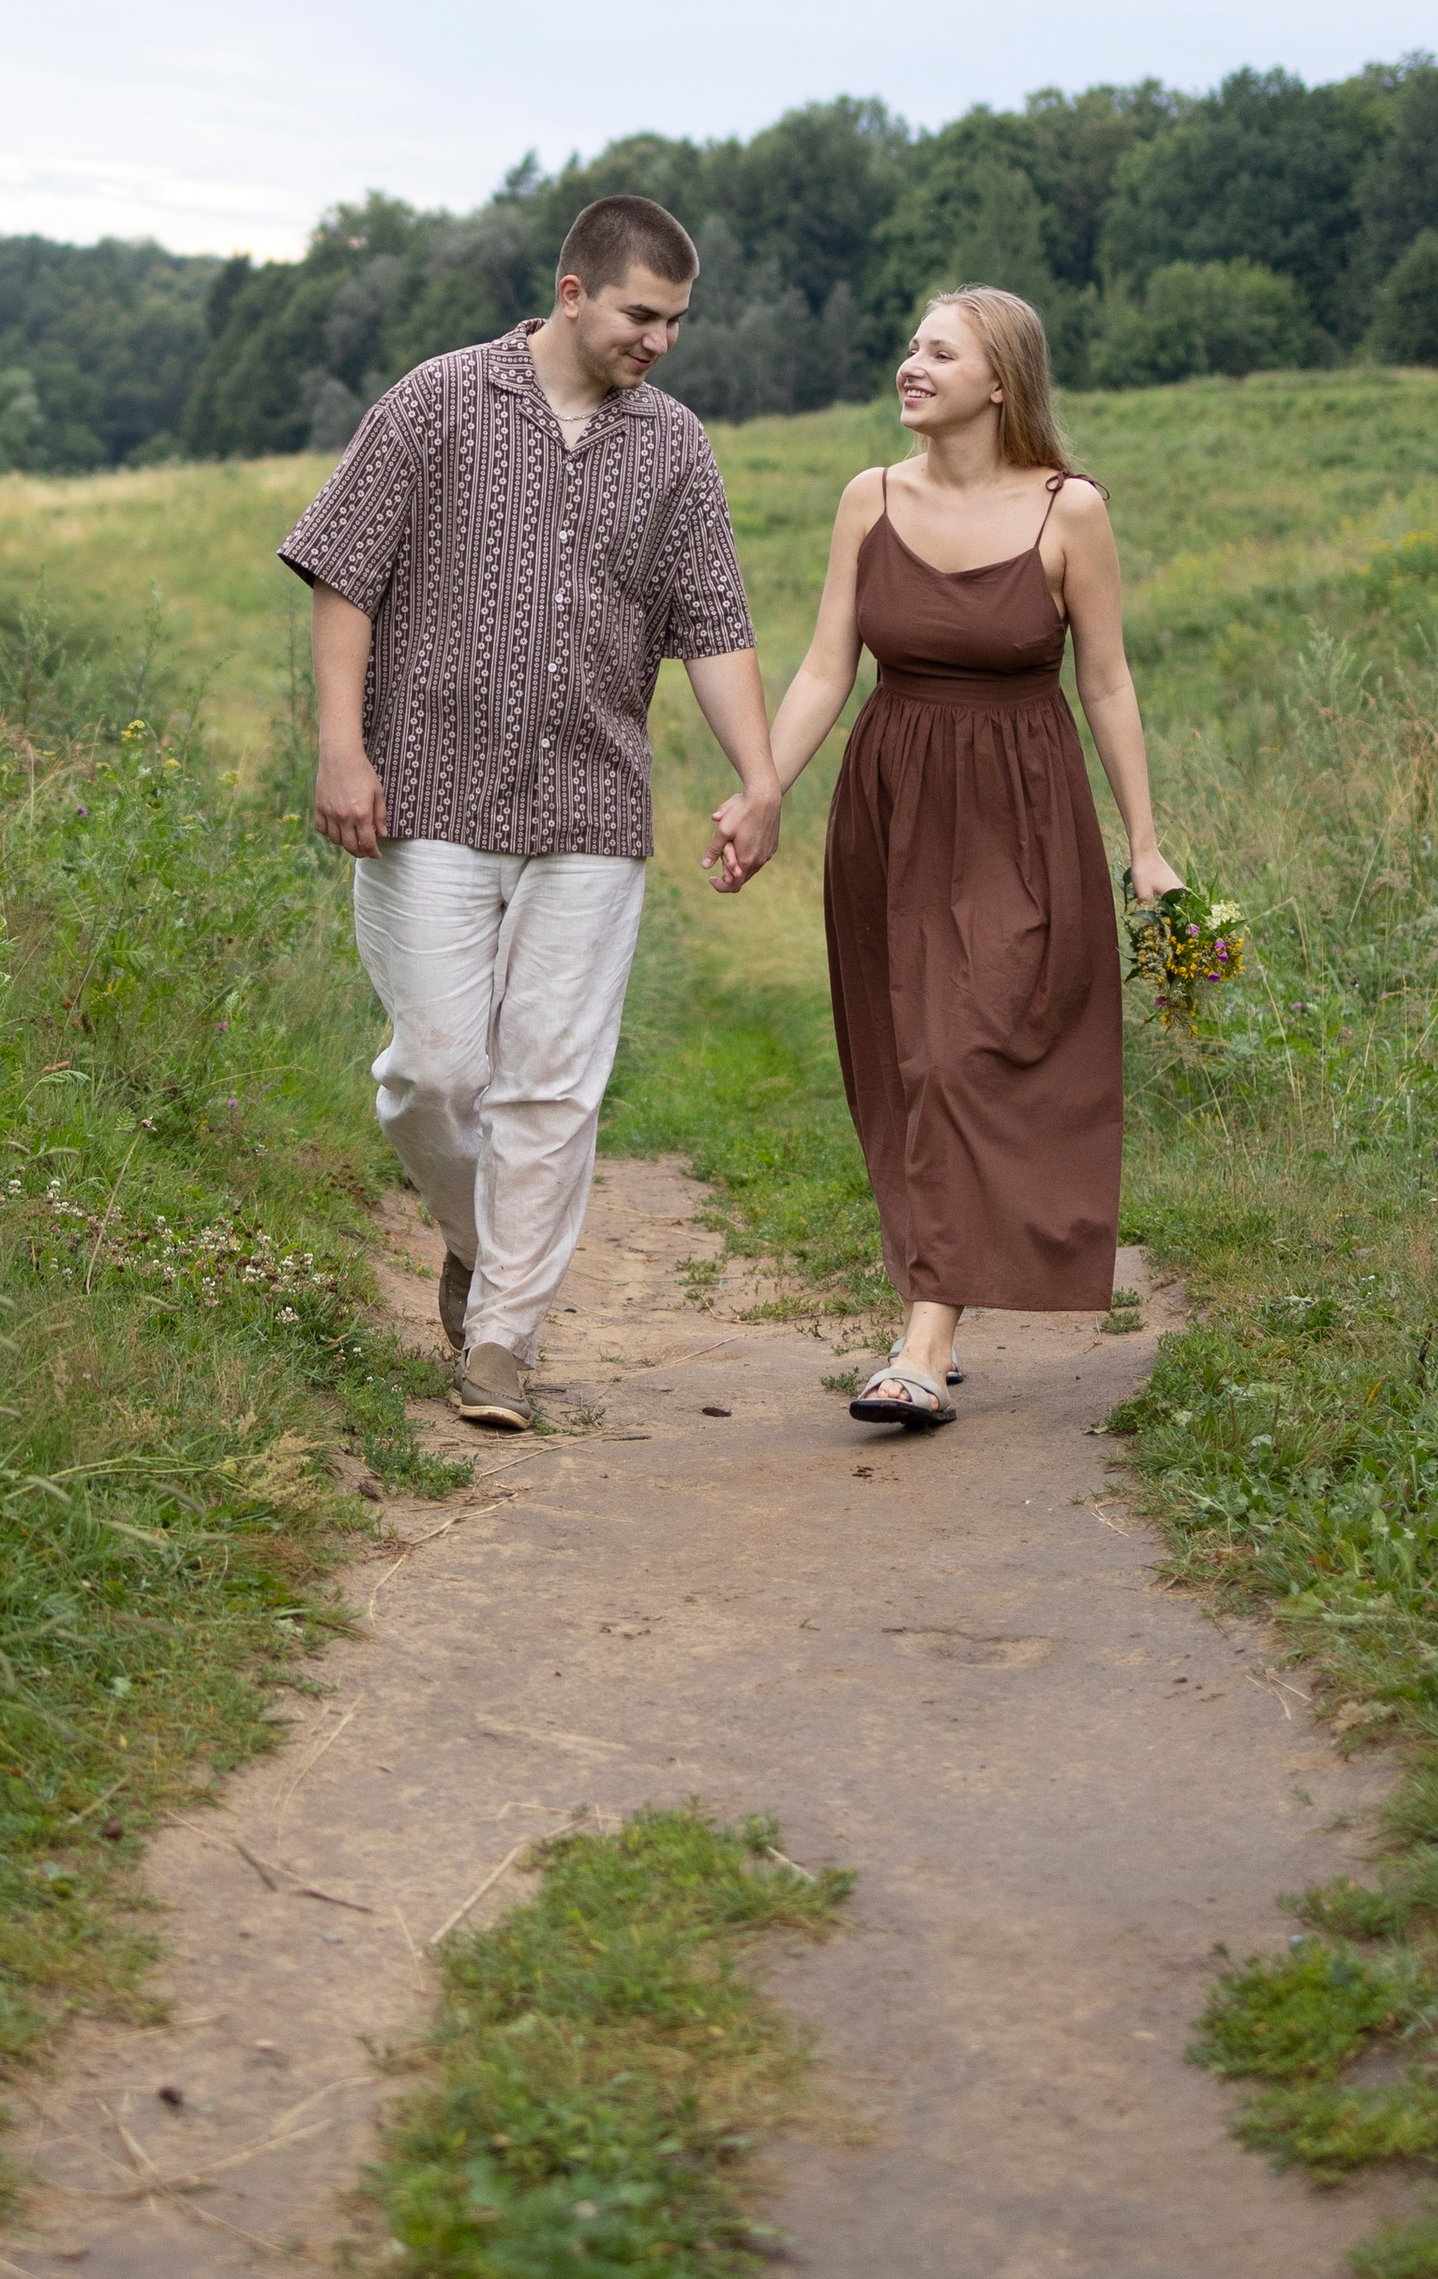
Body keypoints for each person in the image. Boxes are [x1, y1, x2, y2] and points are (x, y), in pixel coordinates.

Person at [281, 193, 781, 1432]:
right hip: (425, 792)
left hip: (590, 808)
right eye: (641, 314)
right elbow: (344, 574)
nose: (659, 339)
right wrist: (340, 748)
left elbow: (714, 623)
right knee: (434, 1073)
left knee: (550, 1087)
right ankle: (477, 1242)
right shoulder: (436, 401)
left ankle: (503, 1335)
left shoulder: (675, 446)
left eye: (676, 321)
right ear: (573, 292)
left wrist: (759, 777)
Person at [713, 284, 1177, 1432]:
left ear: (1000, 382)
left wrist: (1146, 847)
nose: (910, 365)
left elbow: (1106, 682)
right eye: (911, 346)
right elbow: (827, 667)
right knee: (914, 1058)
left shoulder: (1069, 510)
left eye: (939, 352)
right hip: (893, 806)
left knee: (969, 1049)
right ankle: (932, 1314)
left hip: (1021, 809)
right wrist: (764, 789)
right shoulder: (869, 498)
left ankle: (923, 1339)